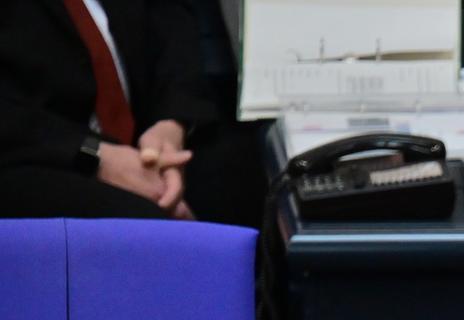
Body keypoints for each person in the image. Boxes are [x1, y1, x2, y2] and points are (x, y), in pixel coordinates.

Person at [0, 0, 265, 227]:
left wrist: (171, 124)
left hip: (140, 128)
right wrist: (96, 156)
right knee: (144, 226)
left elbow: (169, 17)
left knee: (248, 176)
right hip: (35, 149)